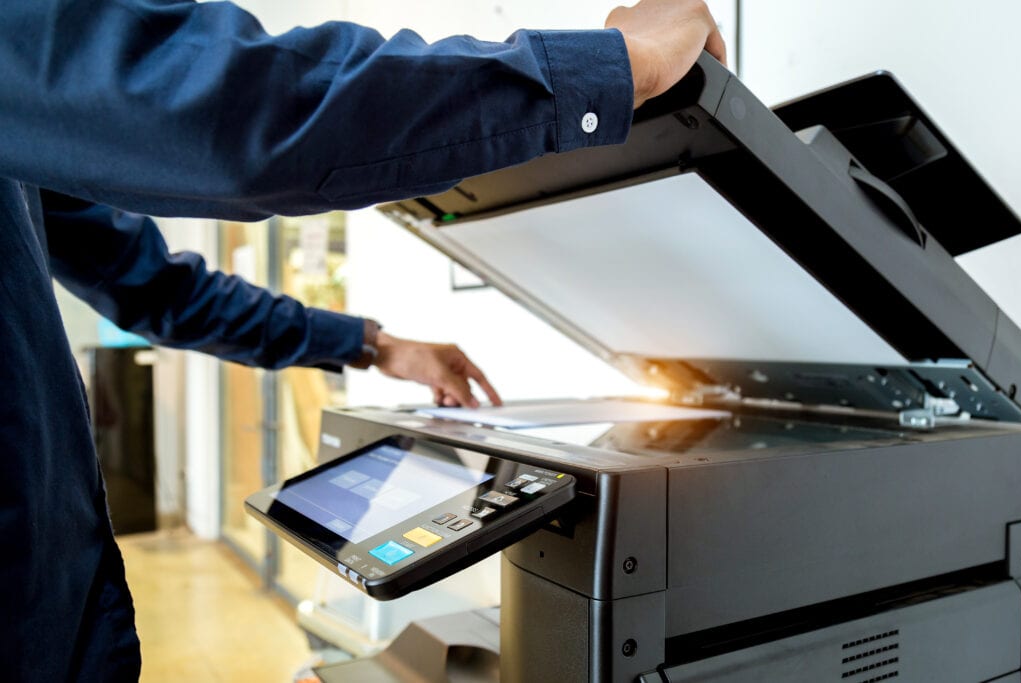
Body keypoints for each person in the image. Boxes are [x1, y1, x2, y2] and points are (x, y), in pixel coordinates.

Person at [0, 0, 726, 679]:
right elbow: (230, 114)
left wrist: (375, 346)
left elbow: (153, 284)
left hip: (54, 611)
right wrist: (629, 62)